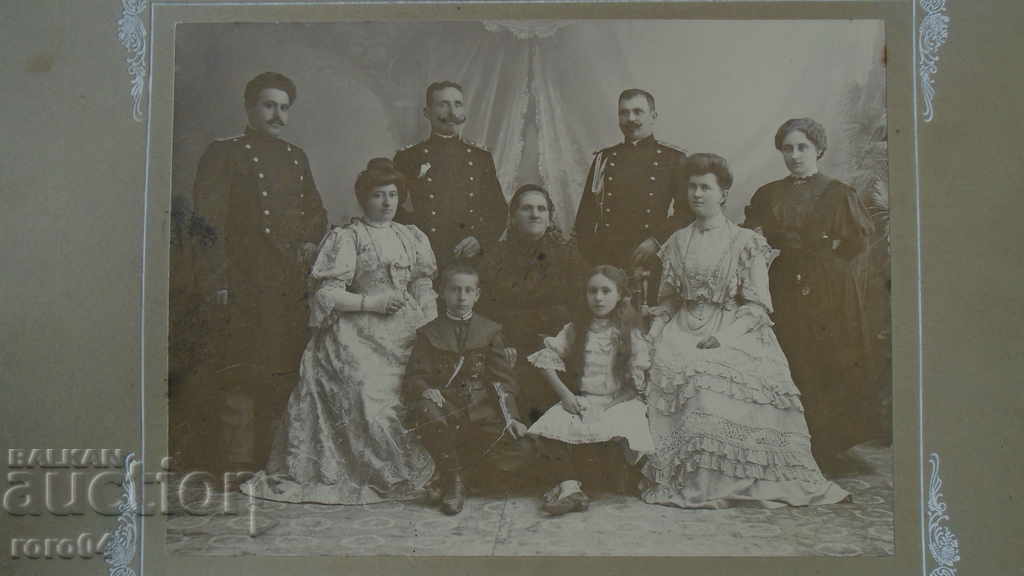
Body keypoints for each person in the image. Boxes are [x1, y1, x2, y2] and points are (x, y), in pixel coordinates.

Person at [642, 153, 850, 509]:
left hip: (734, 326)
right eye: (691, 187)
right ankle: (697, 480)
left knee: (712, 375)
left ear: (723, 193)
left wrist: (723, 338)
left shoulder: (745, 242)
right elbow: (669, 300)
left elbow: (757, 306)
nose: (697, 194)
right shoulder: (676, 242)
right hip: (682, 325)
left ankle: (733, 478)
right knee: (672, 366)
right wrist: (656, 330)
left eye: (705, 187)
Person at [241, 158, 436, 504]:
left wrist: (429, 319)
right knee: (367, 396)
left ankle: (423, 474)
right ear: (364, 199)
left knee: (417, 388)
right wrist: (370, 303)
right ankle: (379, 475)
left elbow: (422, 282)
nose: (387, 202)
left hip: (406, 330)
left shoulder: (410, 236)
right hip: (356, 331)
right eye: (378, 195)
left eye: (393, 194)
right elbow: (327, 292)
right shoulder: (348, 237)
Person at [191, 71, 328, 471]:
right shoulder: (224, 153)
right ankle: (235, 468)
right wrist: (215, 281)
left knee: (281, 372)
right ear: (250, 108)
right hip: (243, 281)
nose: (277, 115)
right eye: (269, 105)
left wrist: (307, 241)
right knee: (240, 374)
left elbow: (315, 212)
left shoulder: (295, 157)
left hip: (287, 283)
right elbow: (206, 224)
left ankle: (272, 465)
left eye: (284, 108)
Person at [743, 118, 874, 469]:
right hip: (783, 287)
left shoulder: (838, 192)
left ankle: (827, 447)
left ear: (818, 149)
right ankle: (790, 443)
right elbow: (752, 238)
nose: (795, 155)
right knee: (790, 360)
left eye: (803, 147)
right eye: (788, 148)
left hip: (828, 291)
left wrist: (823, 264)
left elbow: (855, 244)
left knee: (827, 361)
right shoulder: (768, 194)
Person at [404, 263, 537, 516]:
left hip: (482, 408)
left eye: (468, 290)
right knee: (425, 410)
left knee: (525, 448)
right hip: (447, 406)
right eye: (455, 290)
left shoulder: (490, 331)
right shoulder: (429, 333)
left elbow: (502, 380)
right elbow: (414, 375)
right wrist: (425, 390)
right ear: (442, 293)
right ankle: (454, 482)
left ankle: (466, 475)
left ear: (477, 295)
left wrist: (512, 418)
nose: (461, 297)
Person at [526, 265, 654, 516]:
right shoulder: (576, 329)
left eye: (606, 291)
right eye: (592, 291)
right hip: (583, 399)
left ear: (620, 295)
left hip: (619, 401)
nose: (598, 298)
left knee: (620, 426)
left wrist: (607, 407)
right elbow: (545, 361)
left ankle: (608, 476)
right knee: (551, 427)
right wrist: (566, 396)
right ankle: (570, 487)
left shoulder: (630, 332)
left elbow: (635, 387)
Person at [477, 184, 591, 422]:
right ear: (513, 216)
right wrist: (501, 342)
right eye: (527, 208)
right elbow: (486, 308)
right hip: (512, 346)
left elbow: (580, 305)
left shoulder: (567, 255)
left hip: (557, 344)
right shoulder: (495, 256)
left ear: (549, 218)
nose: (535, 214)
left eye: (541, 209)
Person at [573, 89, 694, 304]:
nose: (631, 119)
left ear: (653, 116)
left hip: (650, 257)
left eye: (638, 112)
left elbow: (686, 212)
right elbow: (586, 214)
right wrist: (592, 258)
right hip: (607, 256)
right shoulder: (604, 158)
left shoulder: (673, 158)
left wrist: (657, 242)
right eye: (624, 113)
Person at [393, 80, 507, 270]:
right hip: (424, 258)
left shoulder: (481, 158)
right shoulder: (407, 157)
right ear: (427, 113)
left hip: (469, 260)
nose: (452, 113)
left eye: (457, 104)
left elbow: (498, 211)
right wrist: (415, 241)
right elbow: (393, 210)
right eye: (443, 104)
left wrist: (479, 239)